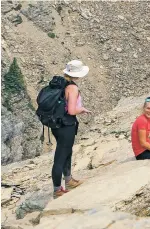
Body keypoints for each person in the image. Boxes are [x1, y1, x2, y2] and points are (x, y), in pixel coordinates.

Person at [52, 60, 91, 198]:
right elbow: (72, 110)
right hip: (66, 125)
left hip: (57, 125)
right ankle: (57, 190)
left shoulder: (61, 84)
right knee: (61, 156)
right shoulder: (72, 88)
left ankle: (68, 180)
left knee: (66, 152)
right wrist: (82, 109)